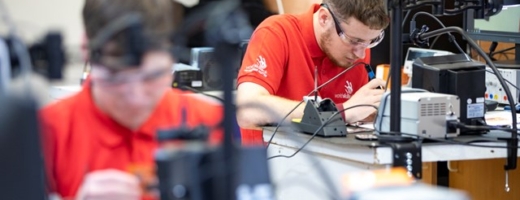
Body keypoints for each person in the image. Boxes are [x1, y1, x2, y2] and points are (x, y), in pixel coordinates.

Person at [40, 0, 223, 199]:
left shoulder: (210, 122)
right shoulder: (47, 131)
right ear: (86, 49)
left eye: (152, 77)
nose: (136, 98)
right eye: (116, 78)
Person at [236, 0, 390, 145]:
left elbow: (355, 116)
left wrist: (372, 112)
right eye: (353, 41)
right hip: (272, 164)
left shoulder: (358, 50)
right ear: (324, 18)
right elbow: (248, 110)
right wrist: (340, 112)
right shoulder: (276, 32)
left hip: (334, 163)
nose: (361, 54)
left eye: (371, 41)